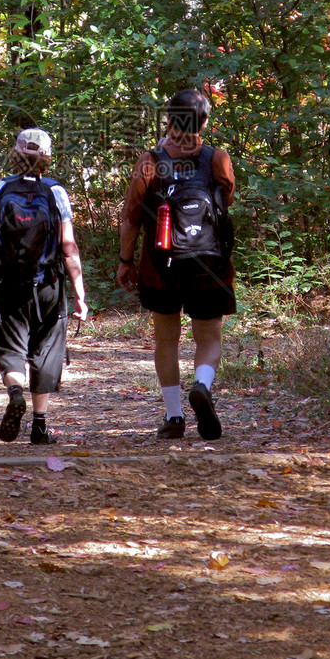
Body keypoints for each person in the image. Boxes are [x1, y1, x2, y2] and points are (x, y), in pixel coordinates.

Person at [117, 89, 235, 440]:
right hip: (210, 264)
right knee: (209, 336)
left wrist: (126, 261)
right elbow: (224, 202)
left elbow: (131, 218)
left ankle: (174, 417)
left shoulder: (150, 161)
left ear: (168, 119)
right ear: (204, 122)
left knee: (166, 340)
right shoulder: (218, 159)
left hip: (160, 266)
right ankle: (201, 384)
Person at [0, 128, 88, 445]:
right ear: (46, 159)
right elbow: (68, 246)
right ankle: (39, 426)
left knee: (11, 348)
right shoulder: (56, 192)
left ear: (15, 154)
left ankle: (14, 391)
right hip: (48, 285)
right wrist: (79, 292)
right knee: (45, 351)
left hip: (8, 284)